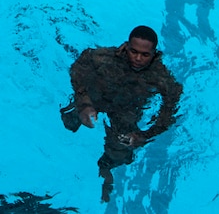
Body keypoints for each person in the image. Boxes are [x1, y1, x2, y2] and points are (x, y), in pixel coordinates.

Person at [65, 26, 182, 203]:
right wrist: (84, 102)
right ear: (126, 46)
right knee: (68, 120)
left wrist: (145, 135)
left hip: (126, 110)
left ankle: (106, 171)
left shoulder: (161, 77)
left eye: (145, 55)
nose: (137, 58)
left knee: (122, 147)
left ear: (154, 54)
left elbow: (168, 113)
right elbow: (80, 65)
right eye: (133, 51)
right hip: (99, 95)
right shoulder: (108, 57)